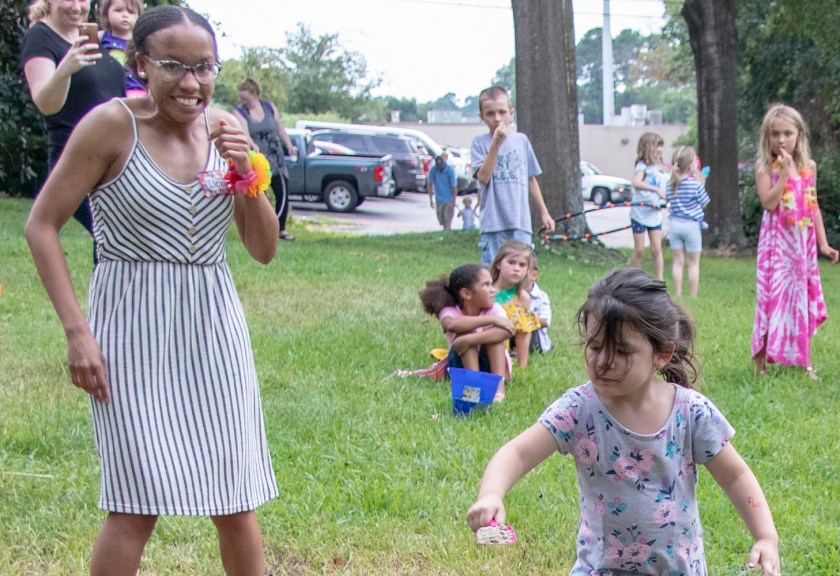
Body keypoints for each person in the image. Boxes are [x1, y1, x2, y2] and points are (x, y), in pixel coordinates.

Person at [24, 6, 279, 574]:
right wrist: (77, 334)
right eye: (174, 66)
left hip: (214, 330)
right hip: (130, 330)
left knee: (236, 498)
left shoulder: (224, 131)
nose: (192, 83)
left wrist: (248, 175)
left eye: (205, 68)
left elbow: (263, 249)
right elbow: (41, 225)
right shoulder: (110, 125)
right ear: (140, 63)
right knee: (135, 504)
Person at [467, 268, 781, 576]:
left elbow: (735, 475)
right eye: (595, 346)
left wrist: (766, 535)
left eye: (622, 351)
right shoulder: (579, 409)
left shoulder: (689, 412)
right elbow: (518, 452)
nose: (603, 361)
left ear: (662, 354)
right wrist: (491, 493)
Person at [21, 0, 126, 242]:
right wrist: (64, 70)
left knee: (117, 242)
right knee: (113, 237)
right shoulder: (41, 37)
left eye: (83, 0)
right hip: (77, 164)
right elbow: (46, 103)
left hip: (115, 160)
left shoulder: (92, 37)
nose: (77, 7)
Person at [752, 103, 839, 379]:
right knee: (770, 299)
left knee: (802, 301)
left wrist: (824, 244)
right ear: (767, 137)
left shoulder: (808, 167)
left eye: (788, 133)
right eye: (775, 134)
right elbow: (769, 203)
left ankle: (805, 362)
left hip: (801, 247)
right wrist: (785, 176)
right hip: (775, 246)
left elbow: (812, 208)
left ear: (799, 135)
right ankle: (761, 363)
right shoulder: (765, 167)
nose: (781, 140)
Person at [471, 85, 554, 266]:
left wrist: (544, 212)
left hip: (520, 222)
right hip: (493, 224)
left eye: (502, 112)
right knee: (494, 274)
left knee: (520, 273)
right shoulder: (479, 143)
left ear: (511, 112)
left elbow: (531, 178)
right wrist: (496, 144)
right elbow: (483, 177)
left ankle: (521, 297)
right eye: (490, 114)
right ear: (482, 117)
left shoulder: (521, 141)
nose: (497, 118)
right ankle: (498, 296)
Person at [419, 264, 513, 402]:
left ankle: (499, 390)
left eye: (492, 284)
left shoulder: (495, 308)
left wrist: (469, 340)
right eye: (486, 285)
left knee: (494, 340)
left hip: (490, 365)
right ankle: (473, 389)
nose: (493, 290)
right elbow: (451, 324)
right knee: (464, 331)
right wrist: (492, 320)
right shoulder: (450, 310)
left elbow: (507, 331)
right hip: (461, 366)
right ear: (466, 294)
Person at [234, 78, 296, 241]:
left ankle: (280, 229)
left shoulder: (269, 107)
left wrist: (289, 145)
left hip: (276, 156)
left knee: (282, 193)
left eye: (245, 98)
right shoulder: (240, 112)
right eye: (241, 98)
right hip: (259, 159)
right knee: (259, 196)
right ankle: (260, 231)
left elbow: (280, 128)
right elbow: (244, 133)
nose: (243, 101)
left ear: (255, 94)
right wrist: (252, 144)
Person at [666, 145, 711, 298]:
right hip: (691, 226)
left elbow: (668, 199)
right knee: (693, 263)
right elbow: (704, 202)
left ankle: (677, 294)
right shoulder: (695, 184)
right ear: (690, 164)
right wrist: (702, 183)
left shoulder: (671, 183)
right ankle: (693, 295)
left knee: (678, 262)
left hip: (674, 225)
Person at [490, 240, 540, 368]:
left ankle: (518, 363)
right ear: (498, 264)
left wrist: (522, 365)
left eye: (522, 265)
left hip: (506, 347)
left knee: (525, 322)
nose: (516, 268)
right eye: (511, 262)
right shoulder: (487, 292)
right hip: (484, 342)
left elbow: (524, 332)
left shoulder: (522, 297)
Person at [629, 132, 667, 280]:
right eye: (658, 146)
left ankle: (659, 281)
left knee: (656, 248)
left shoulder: (657, 168)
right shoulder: (641, 166)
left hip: (653, 213)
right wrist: (656, 190)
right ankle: (631, 280)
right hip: (639, 212)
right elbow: (636, 182)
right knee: (639, 249)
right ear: (650, 147)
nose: (660, 150)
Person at [98, 0, 146, 97]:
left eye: (131, 12)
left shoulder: (140, 41)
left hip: (136, 91)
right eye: (118, 10)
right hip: (108, 91)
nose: (125, 15)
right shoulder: (101, 37)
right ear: (106, 13)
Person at [526, 253, 551, 353]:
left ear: (534, 275)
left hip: (535, 339)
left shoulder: (541, 296)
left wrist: (525, 315)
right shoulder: (510, 294)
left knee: (526, 326)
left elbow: (545, 322)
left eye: (523, 268)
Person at [427, 152, 458, 230]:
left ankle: (447, 235)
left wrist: (454, 200)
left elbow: (454, 187)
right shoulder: (433, 170)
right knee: (442, 220)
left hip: (449, 198)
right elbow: (430, 184)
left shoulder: (450, 170)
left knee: (448, 220)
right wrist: (430, 199)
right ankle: (445, 233)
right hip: (439, 198)